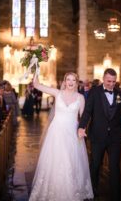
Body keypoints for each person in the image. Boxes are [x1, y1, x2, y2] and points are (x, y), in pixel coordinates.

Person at [29, 72, 93, 201]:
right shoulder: (57, 93)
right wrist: (36, 64)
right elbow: (36, 84)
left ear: (76, 82)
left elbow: (83, 118)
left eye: (73, 80)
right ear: (64, 81)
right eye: (68, 79)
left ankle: (72, 191)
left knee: (71, 161)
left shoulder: (80, 98)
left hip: (72, 133)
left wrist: (82, 129)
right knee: (56, 160)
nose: (70, 82)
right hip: (57, 132)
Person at [78, 68, 121, 201]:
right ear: (103, 78)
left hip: (115, 137)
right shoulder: (94, 92)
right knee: (95, 165)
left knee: (114, 166)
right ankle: (93, 191)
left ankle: (115, 195)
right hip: (98, 136)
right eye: (108, 81)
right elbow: (87, 112)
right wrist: (81, 127)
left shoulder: (120, 94)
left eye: (113, 81)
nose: (111, 84)